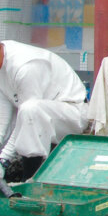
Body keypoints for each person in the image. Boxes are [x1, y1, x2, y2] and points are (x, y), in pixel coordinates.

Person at [0, 41, 88, 182]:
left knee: (30, 110)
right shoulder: (2, 64)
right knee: (29, 111)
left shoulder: (24, 66)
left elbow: (26, 118)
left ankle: (29, 178)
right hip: (42, 112)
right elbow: (3, 114)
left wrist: (4, 160)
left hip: (72, 114)